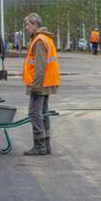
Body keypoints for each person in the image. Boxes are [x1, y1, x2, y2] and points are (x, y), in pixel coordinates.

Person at [23, 13, 60, 156]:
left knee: (34, 114)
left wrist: (35, 87)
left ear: (35, 25)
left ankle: (39, 146)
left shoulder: (39, 40)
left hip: (40, 83)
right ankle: (46, 144)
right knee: (43, 113)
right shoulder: (46, 39)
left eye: (28, 25)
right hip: (47, 82)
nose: (27, 28)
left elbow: (40, 66)